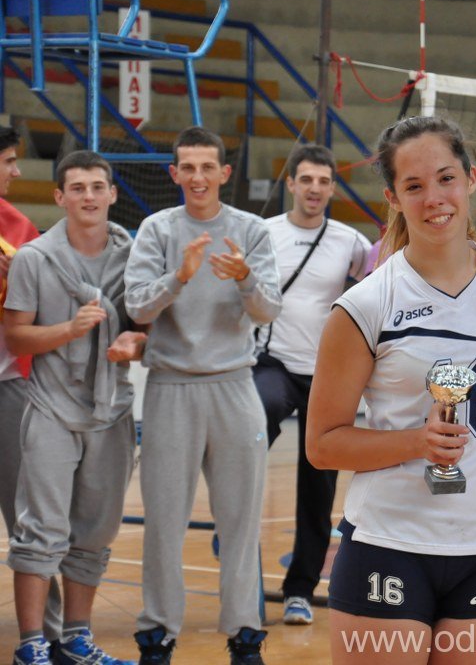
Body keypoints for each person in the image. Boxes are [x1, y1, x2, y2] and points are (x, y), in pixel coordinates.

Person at [306, 115, 476, 665]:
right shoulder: (367, 303)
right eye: (414, 186)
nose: (434, 198)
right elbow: (322, 444)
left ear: (471, 178)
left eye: (446, 178)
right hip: (390, 543)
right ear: (393, 197)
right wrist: (417, 443)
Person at [124, 126, 282, 664]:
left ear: (224, 173)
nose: (197, 177)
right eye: (187, 168)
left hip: (234, 385)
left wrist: (244, 279)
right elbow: (138, 307)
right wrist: (179, 277)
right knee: (163, 523)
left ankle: (244, 636)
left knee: (241, 520)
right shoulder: (157, 229)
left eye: (206, 167)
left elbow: (268, 310)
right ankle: (157, 636)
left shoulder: (251, 231)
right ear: (174, 173)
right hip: (171, 386)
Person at [4, 150, 147, 665]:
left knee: (96, 533)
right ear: (59, 197)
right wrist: (69, 329)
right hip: (50, 408)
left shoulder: (135, 258)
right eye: (78, 188)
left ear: (112, 194)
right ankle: (31, 645)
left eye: (97, 187)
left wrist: (135, 344)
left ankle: (76, 640)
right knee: (41, 529)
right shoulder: (33, 259)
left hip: (111, 410)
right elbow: (16, 336)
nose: (89, 196)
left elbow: (150, 331)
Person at [254, 144, 371, 624]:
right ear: (291, 184)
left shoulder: (350, 242)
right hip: (275, 364)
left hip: (327, 374)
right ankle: (234, 511)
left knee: (318, 486)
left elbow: (377, 282)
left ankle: (299, 591)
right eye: (306, 179)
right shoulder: (264, 233)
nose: (315, 189)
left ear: (332, 188)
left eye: (324, 181)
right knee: (255, 416)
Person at [0, 127, 65, 652]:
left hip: (9, 382)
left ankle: (48, 632)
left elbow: (46, 303)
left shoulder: (18, 227)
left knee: (27, 510)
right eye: (8, 161)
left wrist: (16, 278)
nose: (16, 171)